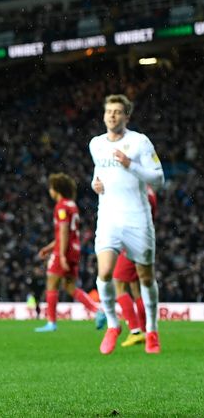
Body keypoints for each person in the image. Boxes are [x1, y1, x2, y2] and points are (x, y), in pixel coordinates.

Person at [90, 94, 164, 354]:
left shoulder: (139, 142)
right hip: (109, 218)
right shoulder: (96, 144)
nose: (112, 115)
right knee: (105, 274)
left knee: (145, 277)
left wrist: (130, 164)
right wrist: (94, 185)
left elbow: (158, 179)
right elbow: (98, 175)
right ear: (104, 116)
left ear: (126, 117)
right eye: (109, 111)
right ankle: (113, 325)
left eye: (118, 112)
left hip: (137, 218)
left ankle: (152, 331)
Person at [33, 173, 100, 332]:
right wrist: (48, 248)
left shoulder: (61, 206)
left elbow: (63, 231)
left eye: (51, 188)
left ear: (56, 189)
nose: (50, 191)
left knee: (52, 283)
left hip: (65, 251)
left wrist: (60, 255)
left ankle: (51, 322)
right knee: (69, 286)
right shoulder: (72, 205)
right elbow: (67, 233)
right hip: (74, 250)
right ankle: (98, 311)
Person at [111, 185, 158, 347]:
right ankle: (145, 330)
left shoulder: (136, 190)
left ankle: (135, 330)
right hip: (145, 240)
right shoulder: (149, 190)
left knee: (118, 283)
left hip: (132, 241)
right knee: (136, 287)